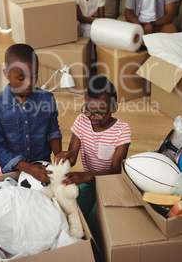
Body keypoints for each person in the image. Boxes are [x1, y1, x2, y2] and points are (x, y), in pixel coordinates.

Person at [55, 75, 131, 237]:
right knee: (75, 213)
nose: (92, 117)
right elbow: (74, 154)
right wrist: (67, 156)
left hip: (110, 184)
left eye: (99, 113)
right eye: (88, 110)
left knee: (93, 221)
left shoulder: (122, 131)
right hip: (89, 182)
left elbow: (115, 170)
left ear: (114, 108)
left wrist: (86, 176)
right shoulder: (82, 121)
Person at [0, 43, 62, 183]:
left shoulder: (47, 98)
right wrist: (27, 168)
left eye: (34, 77)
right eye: (21, 78)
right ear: (7, 74)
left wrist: (58, 155)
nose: (29, 83)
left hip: (42, 165)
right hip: (13, 169)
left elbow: (53, 131)